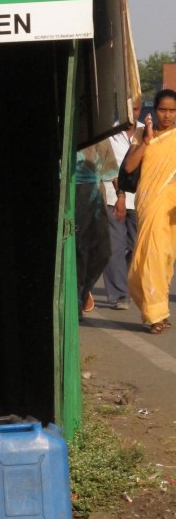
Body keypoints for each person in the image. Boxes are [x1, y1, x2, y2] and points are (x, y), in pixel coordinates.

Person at [125, 88, 176, 335]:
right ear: (154, 110)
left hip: (170, 203)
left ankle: (159, 312)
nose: (167, 115)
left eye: (172, 110)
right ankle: (156, 315)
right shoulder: (143, 134)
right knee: (149, 259)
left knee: (163, 258)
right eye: (162, 109)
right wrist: (146, 141)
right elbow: (129, 166)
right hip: (148, 201)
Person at [102, 99, 143, 309]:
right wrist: (119, 194)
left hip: (140, 199)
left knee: (137, 247)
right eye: (129, 109)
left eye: (136, 109)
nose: (132, 113)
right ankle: (119, 294)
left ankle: (125, 282)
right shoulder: (109, 133)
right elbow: (107, 166)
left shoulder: (146, 132)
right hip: (113, 197)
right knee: (115, 247)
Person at [75, 139, 117, 317]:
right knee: (79, 253)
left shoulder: (100, 137)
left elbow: (112, 172)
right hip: (72, 197)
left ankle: (86, 289)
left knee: (103, 252)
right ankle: (76, 303)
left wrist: (121, 196)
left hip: (96, 199)